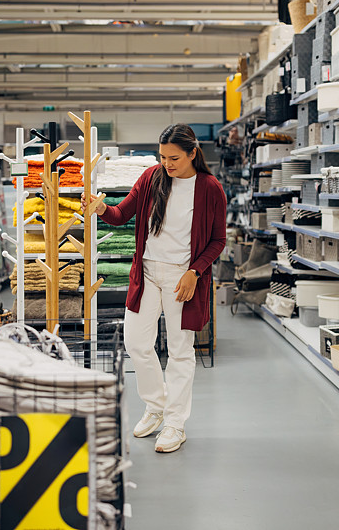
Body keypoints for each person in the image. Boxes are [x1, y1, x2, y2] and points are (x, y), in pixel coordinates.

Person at [82, 124, 226, 453]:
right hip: (146, 273)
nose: (167, 164)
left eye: (174, 158)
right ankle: (155, 406)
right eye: (162, 157)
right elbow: (121, 215)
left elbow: (218, 240)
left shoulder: (210, 188)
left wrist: (195, 272)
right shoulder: (151, 178)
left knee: (180, 351)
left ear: (193, 153)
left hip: (182, 279)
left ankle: (175, 424)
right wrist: (102, 208)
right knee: (136, 343)